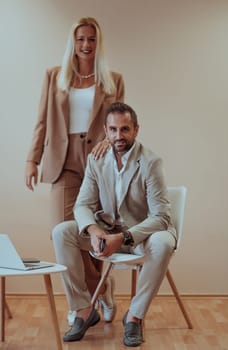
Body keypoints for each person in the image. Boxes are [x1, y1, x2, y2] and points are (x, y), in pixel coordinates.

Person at [24, 17, 124, 324]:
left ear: (98, 43)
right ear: (73, 41)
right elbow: (42, 120)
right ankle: (89, 299)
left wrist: (109, 140)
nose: (85, 45)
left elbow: (119, 120)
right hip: (62, 160)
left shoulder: (112, 79)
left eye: (91, 39)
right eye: (81, 39)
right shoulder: (55, 76)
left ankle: (92, 297)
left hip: (98, 162)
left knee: (87, 233)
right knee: (61, 233)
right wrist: (32, 159)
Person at [52, 102, 177, 346]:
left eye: (125, 129)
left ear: (136, 129)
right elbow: (82, 205)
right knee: (61, 232)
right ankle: (83, 311)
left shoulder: (151, 162)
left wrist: (124, 237)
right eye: (113, 130)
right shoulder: (97, 160)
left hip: (142, 237)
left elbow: (161, 217)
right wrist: (95, 230)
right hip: (107, 232)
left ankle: (134, 317)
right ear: (106, 131)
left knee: (163, 242)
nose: (118, 136)